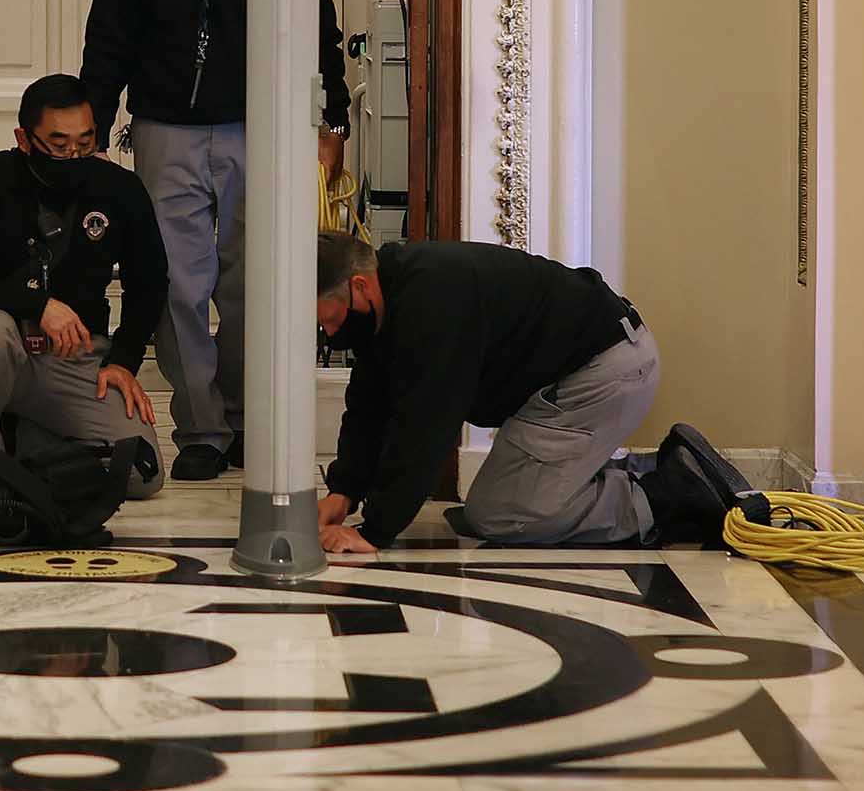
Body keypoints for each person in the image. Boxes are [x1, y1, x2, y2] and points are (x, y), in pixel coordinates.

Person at [80, 0, 349, 483]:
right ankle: (199, 425)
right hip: (166, 128)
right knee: (176, 281)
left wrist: (332, 120)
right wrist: (93, 126)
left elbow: (319, 31)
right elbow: (108, 40)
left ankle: (240, 416)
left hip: (257, 128)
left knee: (251, 282)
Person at [310, 231, 754, 556]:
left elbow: (426, 425)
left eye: (331, 320)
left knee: (499, 514)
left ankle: (670, 493)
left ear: (361, 286)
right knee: (497, 503)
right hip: (579, 376)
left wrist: (374, 532)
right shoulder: (395, 297)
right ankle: (641, 470)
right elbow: (369, 402)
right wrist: (344, 491)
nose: (331, 333)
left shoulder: (430, 300)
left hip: (604, 374)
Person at [0, 75, 168, 499]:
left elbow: (149, 282)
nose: (73, 155)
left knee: (141, 474)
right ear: (24, 138)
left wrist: (124, 361)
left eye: (85, 142)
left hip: (73, 356)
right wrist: (36, 305)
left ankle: (25, 441)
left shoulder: (119, 189)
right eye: (59, 146)